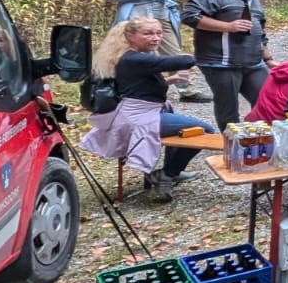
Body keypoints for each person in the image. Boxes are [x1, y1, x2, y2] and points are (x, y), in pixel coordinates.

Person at [82, 18, 213, 201]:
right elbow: (174, 61)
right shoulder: (134, 58)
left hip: (139, 112)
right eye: (148, 33)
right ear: (130, 36)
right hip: (138, 118)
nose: (156, 38)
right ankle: (167, 174)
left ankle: (170, 172)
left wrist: (171, 80)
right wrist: (207, 56)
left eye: (159, 33)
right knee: (206, 131)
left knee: (184, 129)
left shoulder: (129, 57)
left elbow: (135, 88)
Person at [181, 0, 275, 134]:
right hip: (221, 62)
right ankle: (233, 149)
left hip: (253, 63)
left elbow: (260, 31)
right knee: (229, 108)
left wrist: (268, 59)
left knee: (267, 100)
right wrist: (228, 26)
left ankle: (262, 141)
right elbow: (189, 16)